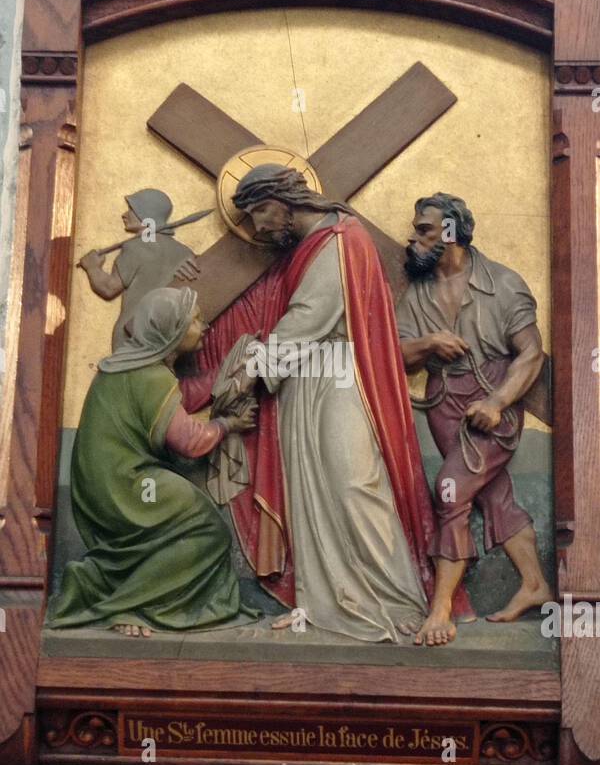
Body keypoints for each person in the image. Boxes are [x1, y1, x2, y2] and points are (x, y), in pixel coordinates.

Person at [182, 163, 473, 646]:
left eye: (260, 212)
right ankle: (322, 606)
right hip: (303, 384)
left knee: (354, 482)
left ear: (286, 198)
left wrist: (254, 367)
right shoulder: (307, 248)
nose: (257, 226)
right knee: (311, 495)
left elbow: (311, 316)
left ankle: (395, 600)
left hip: (340, 379)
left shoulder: (341, 237)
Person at [46, 287, 257, 636]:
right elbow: (190, 441)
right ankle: (132, 605)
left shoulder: (127, 369)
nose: (204, 327)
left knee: (161, 539)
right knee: (209, 532)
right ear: (171, 330)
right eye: (195, 321)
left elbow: (177, 399)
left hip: (101, 485)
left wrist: (225, 375)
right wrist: (227, 424)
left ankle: (94, 581)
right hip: (128, 487)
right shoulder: (151, 377)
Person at [397, 191, 552, 638]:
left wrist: (498, 403)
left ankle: (440, 609)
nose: (413, 238)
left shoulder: (503, 284)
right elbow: (399, 352)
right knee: (494, 495)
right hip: (443, 406)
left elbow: (531, 354)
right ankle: (535, 583)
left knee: (450, 492)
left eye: (423, 230)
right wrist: (429, 344)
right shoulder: (418, 292)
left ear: (450, 232)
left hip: (490, 401)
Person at [79, 188, 198, 349]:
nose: (124, 214)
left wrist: (92, 267)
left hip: (132, 338)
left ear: (146, 215)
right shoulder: (186, 253)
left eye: (132, 209)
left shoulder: (135, 247)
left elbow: (108, 288)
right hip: (169, 342)